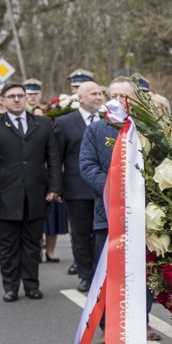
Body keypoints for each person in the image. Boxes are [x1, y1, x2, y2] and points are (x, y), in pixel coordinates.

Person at [79, 76, 162, 342]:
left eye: (124, 96)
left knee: (143, 272)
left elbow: (162, 166)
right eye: (113, 95)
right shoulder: (95, 129)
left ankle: (142, 322)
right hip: (109, 213)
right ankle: (108, 326)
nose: (117, 101)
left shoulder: (149, 129)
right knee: (108, 274)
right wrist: (114, 189)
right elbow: (87, 166)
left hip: (144, 215)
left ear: (136, 99)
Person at [0, 83, 62, 301]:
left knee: (32, 244)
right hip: (4, 196)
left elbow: (53, 158)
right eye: (11, 96)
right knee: (8, 246)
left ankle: (32, 285)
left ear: (26, 99)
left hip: (36, 194)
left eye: (20, 96)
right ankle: (11, 287)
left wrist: (54, 187)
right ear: (3, 100)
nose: (16, 99)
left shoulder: (41, 124)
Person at [54, 81, 104, 293]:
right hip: (76, 189)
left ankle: (102, 273)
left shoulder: (110, 120)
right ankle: (86, 274)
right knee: (82, 234)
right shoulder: (65, 123)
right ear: (80, 98)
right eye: (93, 93)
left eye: (101, 93)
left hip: (104, 187)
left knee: (102, 233)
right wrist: (55, 187)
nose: (99, 97)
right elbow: (56, 158)